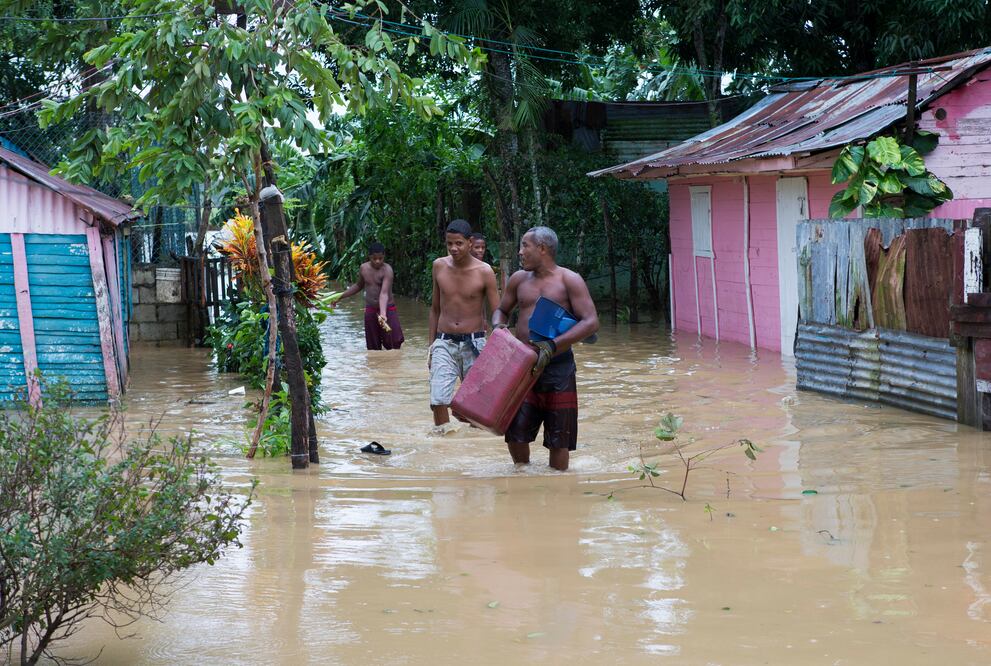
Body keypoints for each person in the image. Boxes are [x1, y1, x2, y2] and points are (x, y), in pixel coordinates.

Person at [492, 226, 599, 471]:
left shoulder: (569, 279)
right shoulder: (518, 279)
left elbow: (591, 322)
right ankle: (522, 476)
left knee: (559, 438)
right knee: (515, 432)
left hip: (558, 368)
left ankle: (557, 484)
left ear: (542, 249)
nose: (520, 252)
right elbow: (502, 310)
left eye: (525, 246)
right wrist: (499, 327)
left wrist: (552, 346)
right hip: (523, 366)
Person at [429, 220, 501, 426]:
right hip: (444, 342)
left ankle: (471, 443)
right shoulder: (439, 266)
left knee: (476, 406)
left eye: (459, 243)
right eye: (449, 243)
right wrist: (431, 346)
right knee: (438, 400)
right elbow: (435, 309)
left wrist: (498, 349)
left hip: (475, 343)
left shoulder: (485, 271)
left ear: (470, 242)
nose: (453, 248)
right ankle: (443, 439)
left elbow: (497, 313)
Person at [334, 242, 405, 350]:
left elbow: (384, 293)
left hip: (387, 309)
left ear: (384, 256)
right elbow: (358, 285)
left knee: (394, 342)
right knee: (373, 347)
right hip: (371, 309)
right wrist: (340, 297)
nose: (377, 261)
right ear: (369, 257)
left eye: (380, 258)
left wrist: (383, 314)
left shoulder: (387, 270)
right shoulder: (363, 268)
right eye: (374, 258)